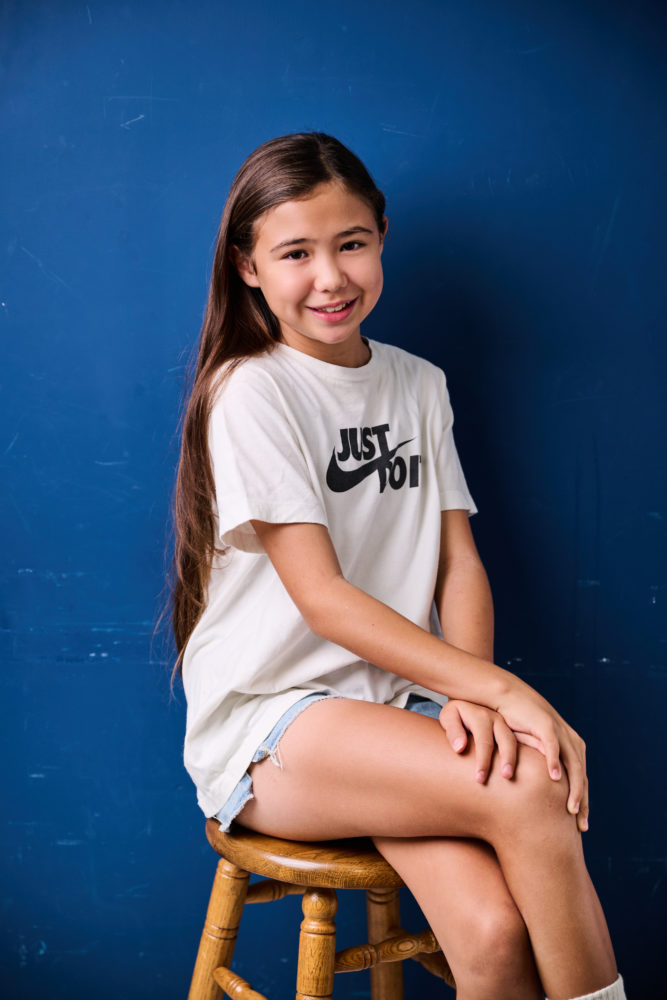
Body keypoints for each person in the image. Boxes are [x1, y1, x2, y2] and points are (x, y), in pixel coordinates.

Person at [171, 132, 625, 1000]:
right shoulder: (252, 390)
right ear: (247, 267)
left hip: (398, 707)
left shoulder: (418, 383)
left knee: (491, 935)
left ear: (381, 237)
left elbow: (458, 563)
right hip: (276, 723)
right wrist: (507, 693)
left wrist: (470, 693)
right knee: (533, 785)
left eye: (350, 244)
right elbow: (324, 601)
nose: (329, 277)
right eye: (295, 254)